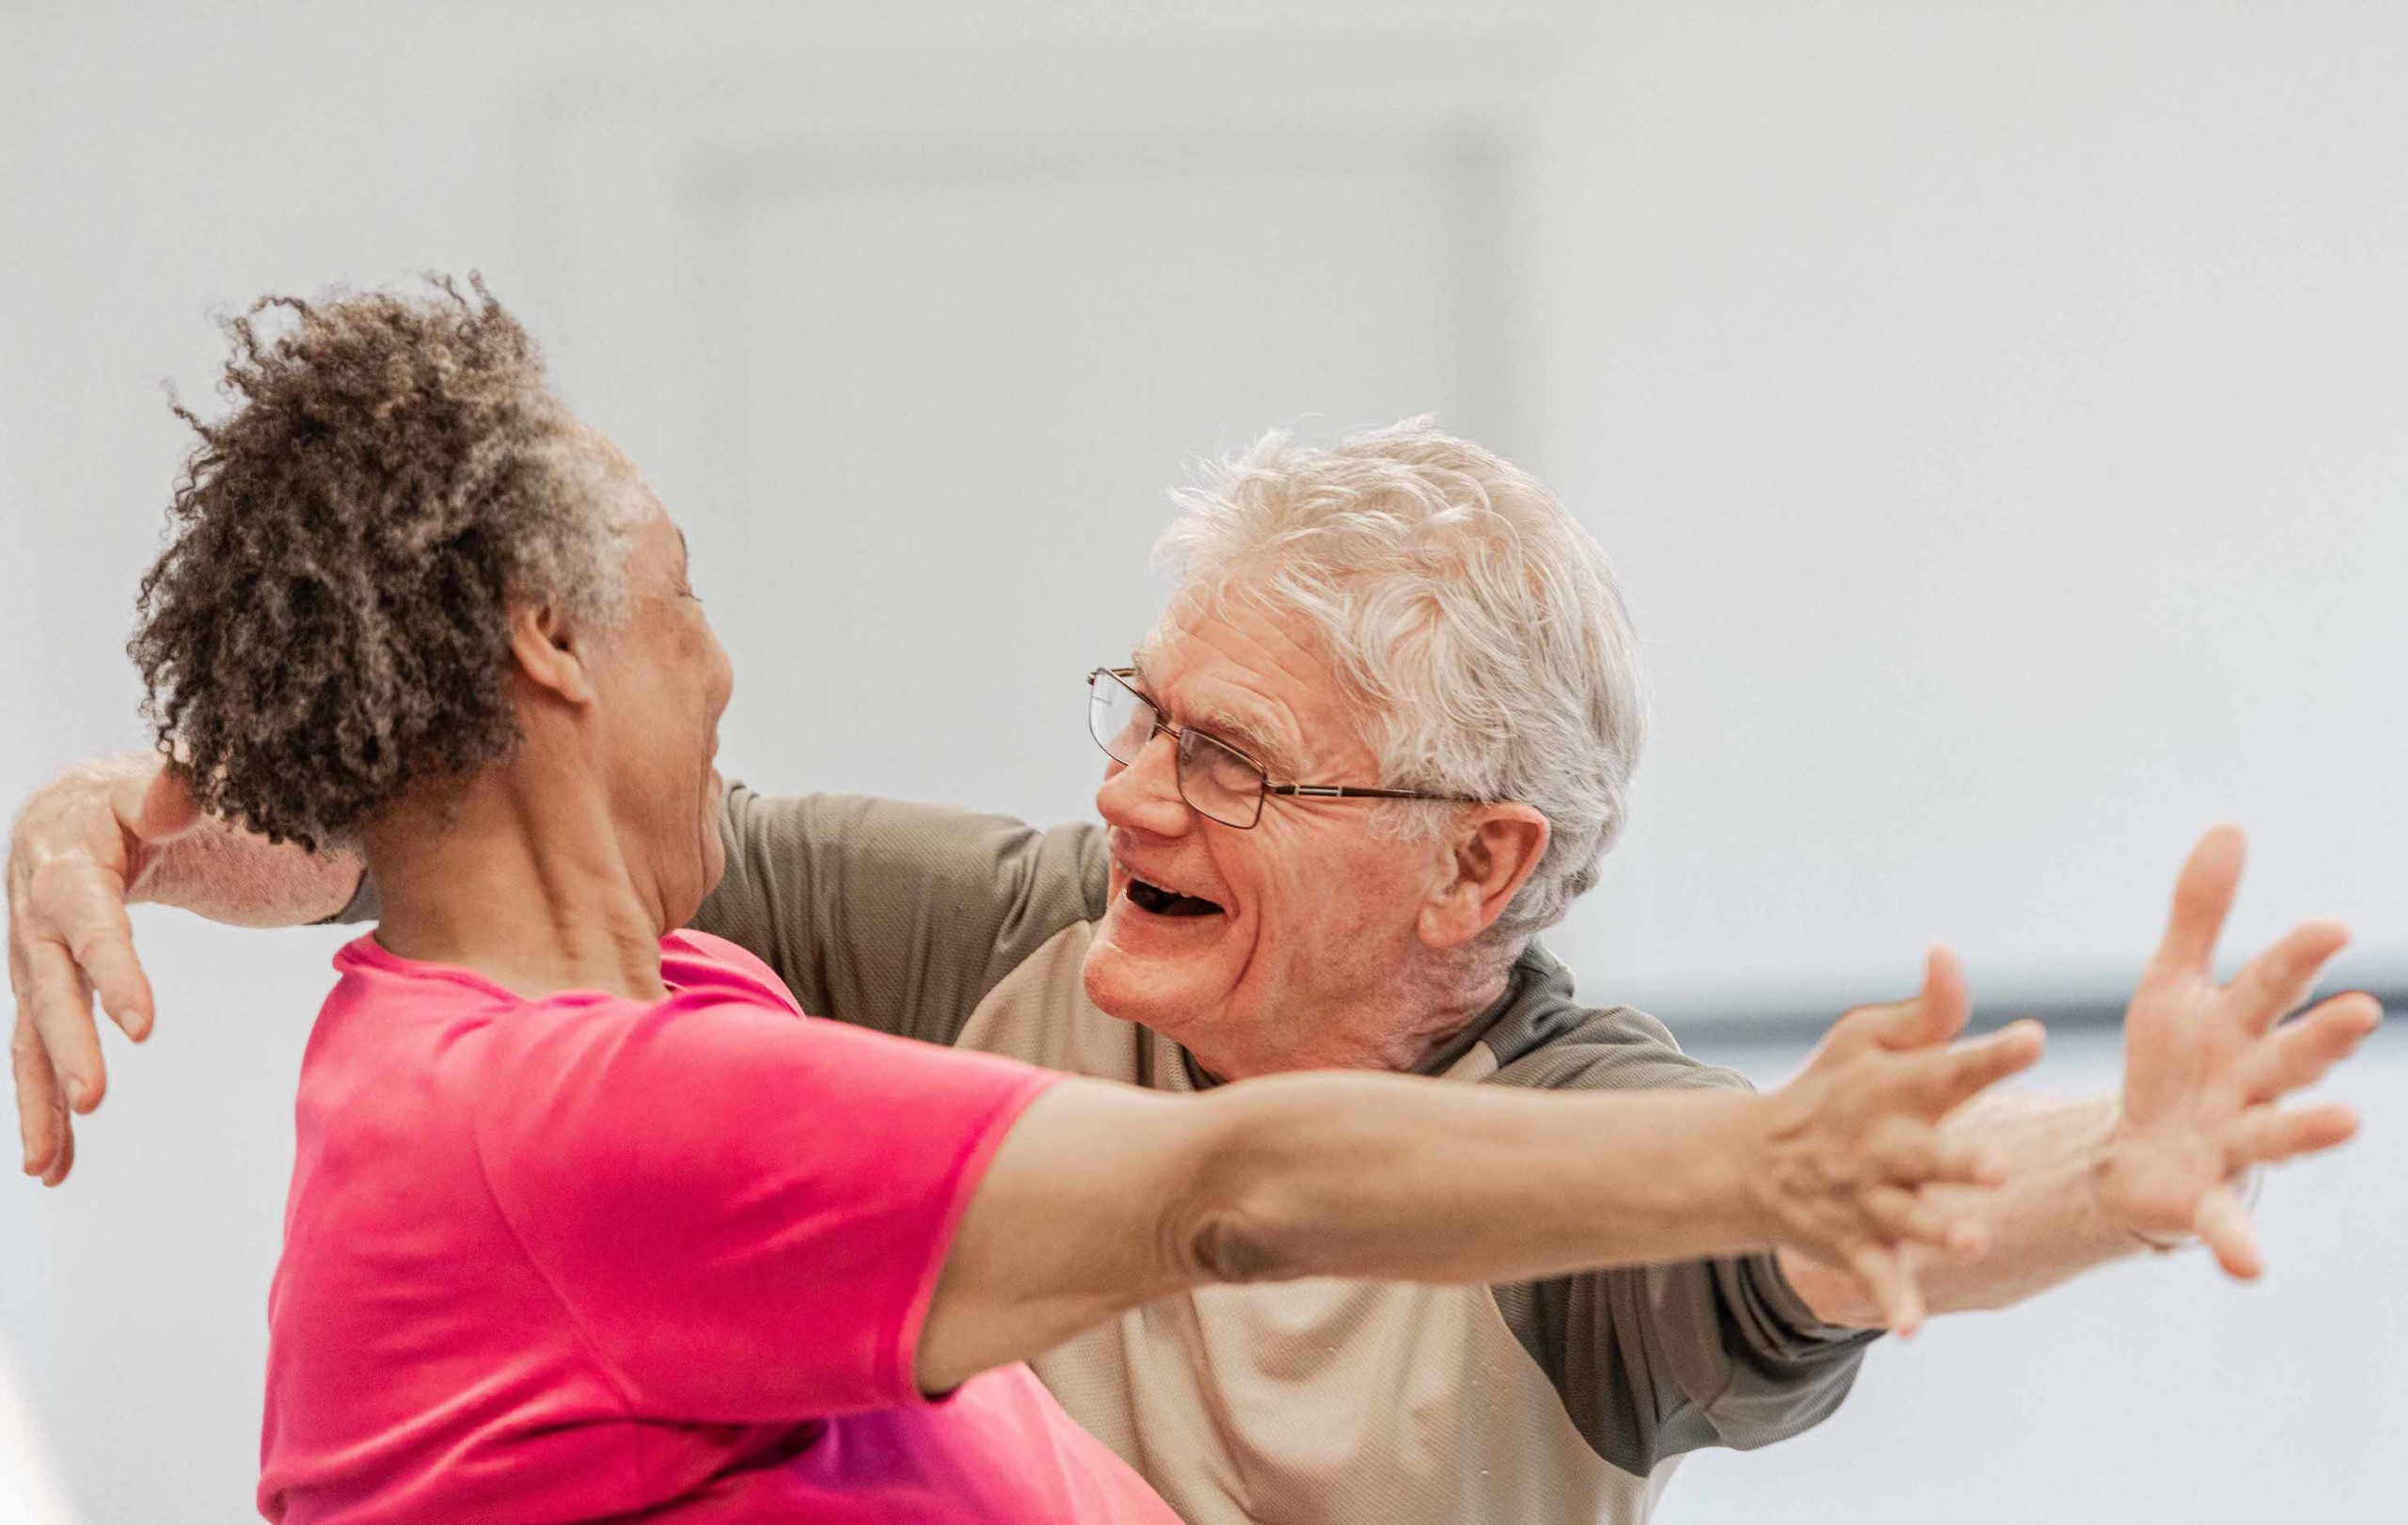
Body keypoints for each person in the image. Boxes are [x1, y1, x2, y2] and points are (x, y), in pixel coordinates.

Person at [9, 331, 2377, 1525]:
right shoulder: (978, 938)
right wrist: (129, 817)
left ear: (1480, 859)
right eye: (1139, 712)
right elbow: (523, 841)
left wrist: (2100, 1188)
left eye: (1225, 761)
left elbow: (1814, 1236)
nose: (1129, 789)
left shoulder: (1576, 1134)